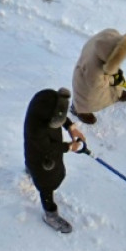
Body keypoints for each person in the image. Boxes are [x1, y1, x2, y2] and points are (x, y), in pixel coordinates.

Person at [24, 88, 85, 234]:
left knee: (31, 161)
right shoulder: (37, 131)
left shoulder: (46, 102)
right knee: (46, 184)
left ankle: (29, 168)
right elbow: (48, 148)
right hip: (42, 157)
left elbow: (58, 113)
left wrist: (71, 127)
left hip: (37, 148)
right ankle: (50, 214)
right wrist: (70, 146)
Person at [71, 28, 126, 124]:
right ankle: (78, 110)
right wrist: (114, 80)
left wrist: (115, 72)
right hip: (86, 83)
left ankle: (116, 94)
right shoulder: (94, 69)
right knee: (90, 99)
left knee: (115, 84)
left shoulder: (108, 37)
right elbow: (99, 84)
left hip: (100, 71)